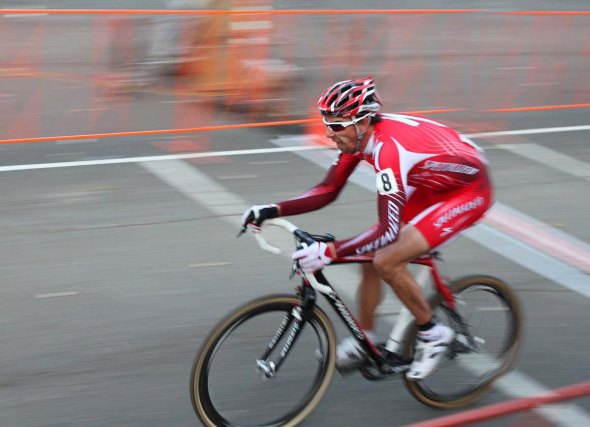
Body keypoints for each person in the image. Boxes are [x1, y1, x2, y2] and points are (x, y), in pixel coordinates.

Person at [241, 76, 493, 380]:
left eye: (335, 125)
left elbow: (386, 233)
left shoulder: (389, 151)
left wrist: (328, 251)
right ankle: (367, 340)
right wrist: (272, 209)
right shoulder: (358, 137)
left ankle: (433, 334)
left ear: (361, 122)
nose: (328, 133)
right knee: (370, 258)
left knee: (386, 258)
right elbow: (327, 190)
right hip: (429, 181)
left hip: (467, 191)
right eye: (326, 124)